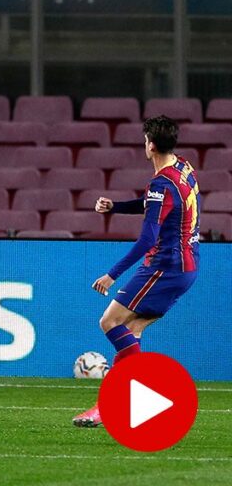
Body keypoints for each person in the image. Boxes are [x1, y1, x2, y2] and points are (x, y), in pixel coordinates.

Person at [73, 116, 200, 427]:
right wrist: (115, 207)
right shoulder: (184, 168)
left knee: (109, 321)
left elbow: (147, 238)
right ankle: (110, 406)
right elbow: (156, 205)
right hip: (187, 265)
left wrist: (111, 274)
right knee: (131, 332)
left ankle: (145, 394)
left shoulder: (161, 183)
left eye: (145, 141)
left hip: (165, 266)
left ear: (151, 145)